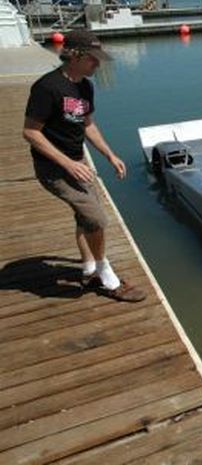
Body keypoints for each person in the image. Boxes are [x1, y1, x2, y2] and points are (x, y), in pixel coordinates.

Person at [23, 30, 145, 303]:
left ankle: (89, 268)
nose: (98, 64)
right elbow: (31, 132)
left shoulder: (85, 86)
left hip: (76, 162)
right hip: (54, 168)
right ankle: (106, 275)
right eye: (93, 59)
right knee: (96, 218)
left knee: (86, 216)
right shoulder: (47, 87)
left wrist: (110, 155)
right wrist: (67, 163)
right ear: (75, 55)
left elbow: (87, 125)